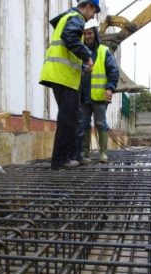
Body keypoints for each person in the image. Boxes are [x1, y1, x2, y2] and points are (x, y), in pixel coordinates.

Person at [39, 0, 100, 170]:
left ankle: (71, 156)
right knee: (67, 119)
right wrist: (87, 56)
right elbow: (70, 37)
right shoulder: (76, 17)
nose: (91, 17)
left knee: (73, 118)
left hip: (62, 76)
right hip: (63, 76)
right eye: (93, 12)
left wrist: (81, 66)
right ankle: (60, 160)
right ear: (89, 7)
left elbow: (68, 44)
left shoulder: (68, 17)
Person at [74, 18, 119, 164]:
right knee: (84, 123)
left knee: (100, 123)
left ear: (95, 34)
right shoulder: (80, 51)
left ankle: (103, 153)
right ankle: (84, 153)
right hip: (83, 96)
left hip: (99, 96)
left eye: (90, 33)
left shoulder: (104, 51)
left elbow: (113, 71)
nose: (87, 36)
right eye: (85, 34)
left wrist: (110, 88)